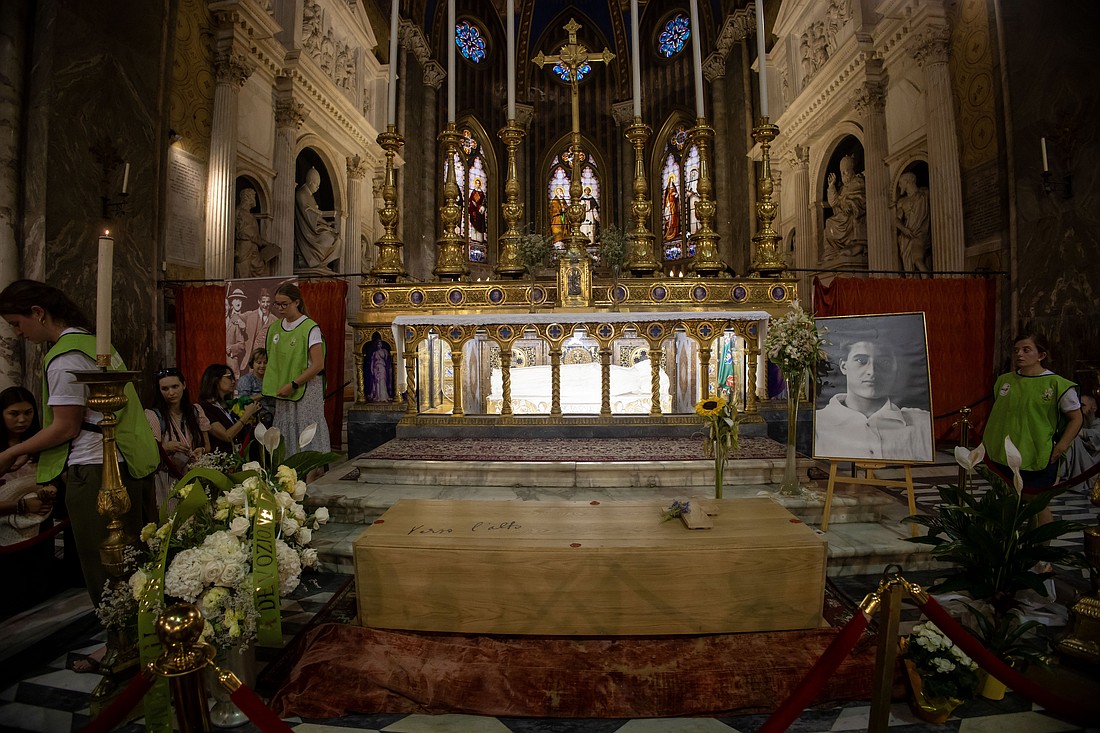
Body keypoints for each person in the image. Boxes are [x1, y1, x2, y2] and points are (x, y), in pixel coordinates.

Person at [0, 279, 159, 608]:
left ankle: (121, 648)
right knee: (135, 564)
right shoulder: (95, 345)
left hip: (97, 470)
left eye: (17, 323)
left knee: (106, 568)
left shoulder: (65, 358)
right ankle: (139, 643)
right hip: (129, 460)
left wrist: (13, 451)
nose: (18, 333)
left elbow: (66, 427)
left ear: (38, 312)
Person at [983, 333, 1082, 525]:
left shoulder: (1057, 384)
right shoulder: (1004, 380)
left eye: (1026, 350)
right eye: (1016, 350)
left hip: (1036, 453)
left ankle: (1037, 549)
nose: (1019, 354)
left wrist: (1062, 446)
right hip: (1002, 453)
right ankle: (1010, 551)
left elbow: (1076, 418)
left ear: (1041, 355)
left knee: (1035, 504)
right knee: (1007, 501)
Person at [814, 337, 933, 461]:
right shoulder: (817, 424)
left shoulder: (922, 424)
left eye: (884, 362)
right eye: (861, 360)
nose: (872, 371)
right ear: (844, 366)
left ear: (895, 368)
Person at [263, 283, 331, 462]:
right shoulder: (274, 328)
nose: (280, 309)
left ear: (297, 303)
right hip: (284, 390)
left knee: (306, 432)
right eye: (276, 304)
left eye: (284, 304)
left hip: (305, 389)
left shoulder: (310, 328)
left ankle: (311, 476)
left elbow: (317, 365)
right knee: (286, 432)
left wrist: (294, 384)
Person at [145, 368, 210, 511]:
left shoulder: (195, 411)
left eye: (175, 387)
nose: (171, 393)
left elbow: (207, 446)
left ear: (184, 386)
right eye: (165, 388)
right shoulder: (154, 416)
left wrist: (202, 450)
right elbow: (149, 454)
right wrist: (167, 447)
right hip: (167, 477)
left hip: (194, 474)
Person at [0, 386, 57, 546]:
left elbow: (54, 479)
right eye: (14, 414)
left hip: (40, 523)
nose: (22, 419)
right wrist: (22, 506)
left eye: (28, 412)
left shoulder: (41, 445)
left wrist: (50, 491)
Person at [198, 364, 260, 456]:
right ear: (215, 380)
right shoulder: (204, 408)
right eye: (229, 377)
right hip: (220, 460)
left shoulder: (230, 405)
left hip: (238, 456)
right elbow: (227, 436)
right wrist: (247, 414)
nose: (233, 381)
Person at [294, 166, 340, 270]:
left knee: (337, 240)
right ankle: (314, 262)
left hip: (314, 227)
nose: (318, 188)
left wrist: (326, 224)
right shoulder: (302, 194)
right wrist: (326, 224)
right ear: (311, 182)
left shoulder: (309, 195)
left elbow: (315, 213)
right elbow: (309, 215)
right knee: (329, 238)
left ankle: (321, 264)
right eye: (317, 184)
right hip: (308, 231)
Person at [823, 154, 867, 258]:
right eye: (842, 172)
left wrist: (849, 204)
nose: (843, 174)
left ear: (852, 170)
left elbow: (861, 199)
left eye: (845, 171)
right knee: (829, 224)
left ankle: (854, 245)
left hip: (853, 214)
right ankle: (832, 251)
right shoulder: (843, 188)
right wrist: (831, 186)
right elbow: (834, 203)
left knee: (831, 222)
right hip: (844, 215)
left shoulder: (858, 182)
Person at [1061, 393, 1100, 493]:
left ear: (1093, 408)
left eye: (1082, 405)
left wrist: (1072, 429)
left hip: (1091, 468)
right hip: (1080, 465)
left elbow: (1093, 438)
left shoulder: (1098, 424)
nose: (1079, 409)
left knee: (1072, 438)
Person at [896, 172, 931, 276]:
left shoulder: (924, 193)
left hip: (920, 233)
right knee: (909, 270)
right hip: (907, 236)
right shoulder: (902, 202)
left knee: (916, 259)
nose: (899, 186)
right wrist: (903, 229)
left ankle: (931, 287)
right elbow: (896, 219)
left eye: (900, 183)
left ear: (907, 181)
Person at [234, 188, 269, 278]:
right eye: (253, 196)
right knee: (243, 278)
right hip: (244, 249)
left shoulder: (252, 216)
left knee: (263, 274)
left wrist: (267, 244)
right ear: (247, 197)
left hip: (254, 250)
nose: (255, 199)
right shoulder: (238, 212)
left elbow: (255, 236)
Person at [237, 348, 275, 426]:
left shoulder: (274, 380)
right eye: (259, 362)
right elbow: (242, 400)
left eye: (265, 362)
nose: (262, 365)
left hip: (274, 418)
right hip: (253, 420)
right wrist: (263, 394)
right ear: (252, 363)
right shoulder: (246, 379)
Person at [244, 288, 274, 360]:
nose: (265, 305)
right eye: (263, 302)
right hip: (252, 360)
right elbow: (234, 317)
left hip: (268, 360)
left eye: (268, 302)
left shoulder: (275, 320)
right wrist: (240, 322)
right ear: (259, 302)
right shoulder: (249, 315)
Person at [226, 287, 249, 376]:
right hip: (231, 359)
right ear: (231, 302)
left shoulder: (246, 316)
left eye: (240, 300)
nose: (238, 302)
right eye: (235, 299)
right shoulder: (227, 317)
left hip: (243, 357)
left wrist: (240, 322)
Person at [366, 337, 392, 403]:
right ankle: (378, 396)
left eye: (380, 344)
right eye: (378, 344)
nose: (379, 345)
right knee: (377, 382)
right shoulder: (374, 353)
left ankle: (384, 396)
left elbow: (387, 360)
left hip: (382, 368)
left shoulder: (384, 351)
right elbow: (372, 362)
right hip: (376, 368)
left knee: (382, 381)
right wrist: (372, 369)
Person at [468, 177, 487, 244]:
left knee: (479, 223)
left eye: (478, 183)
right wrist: (472, 204)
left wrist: (481, 207)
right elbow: (470, 200)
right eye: (476, 183)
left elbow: (484, 202)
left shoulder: (482, 193)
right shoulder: (473, 192)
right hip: (474, 211)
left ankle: (480, 239)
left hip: (479, 212)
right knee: (474, 223)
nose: (477, 184)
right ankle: (473, 237)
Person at [662, 174, 680, 243]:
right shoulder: (667, 189)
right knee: (669, 220)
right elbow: (667, 198)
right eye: (671, 179)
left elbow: (676, 196)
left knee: (674, 219)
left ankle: (674, 233)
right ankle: (668, 233)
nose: (672, 180)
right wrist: (668, 203)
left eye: (673, 179)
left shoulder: (674, 188)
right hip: (669, 206)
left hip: (673, 206)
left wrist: (675, 196)